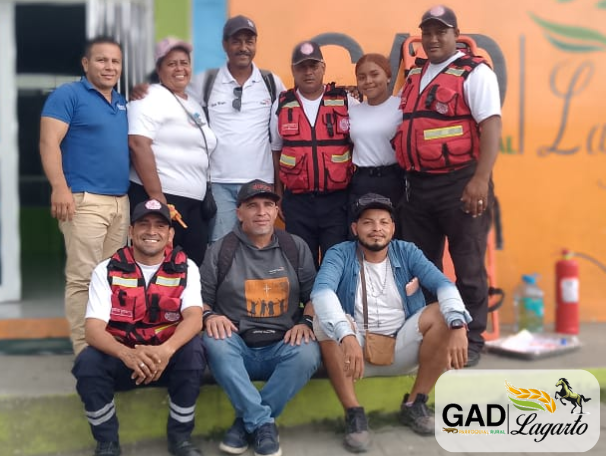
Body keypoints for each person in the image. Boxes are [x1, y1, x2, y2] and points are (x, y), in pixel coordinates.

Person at [311, 193, 471, 453]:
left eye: (384, 222)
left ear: (393, 228)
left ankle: (415, 404)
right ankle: (354, 414)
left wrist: (458, 324)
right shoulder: (339, 253)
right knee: (323, 321)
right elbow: (321, 293)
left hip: (402, 347)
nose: (377, 228)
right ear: (355, 228)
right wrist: (346, 335)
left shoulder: (407, 251)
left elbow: (442, 284)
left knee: (443, 314)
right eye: (368, 222)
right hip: (354, 355)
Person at [393, 5, 502, 366]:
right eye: (427, 32)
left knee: (468, 266)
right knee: (423, 268)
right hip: (418, 187)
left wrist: (480, 180)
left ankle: (471, 339)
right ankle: (434, 335)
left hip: (460, 184)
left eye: (441, 31)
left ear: (456, 34)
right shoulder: (416, 74)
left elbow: (491, 126)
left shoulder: (474, 72)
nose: (433, 39)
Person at [72, 199, 205, 456]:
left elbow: (194, 318)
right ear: (131, 231)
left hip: (166, 360)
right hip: (124, 361)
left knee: (194, 350)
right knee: (87, 362)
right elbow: (93, 330)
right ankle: (107, 442)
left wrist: (166, 351)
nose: (151, 231)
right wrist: (128, 355)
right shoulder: (107, 269)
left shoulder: (186, 267)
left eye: (160, 225)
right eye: (143, 224)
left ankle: (180, 438)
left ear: (170, 234)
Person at [200, 179, 320, 456]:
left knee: (308, 353)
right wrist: (208, 315)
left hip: (282, 344)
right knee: (214, 342)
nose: (261, 212)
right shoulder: (221, 249)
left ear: (277, 211)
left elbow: (315, 295)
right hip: (237, 346)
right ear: (239, 212)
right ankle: (263, 424)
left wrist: (305, 322)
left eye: (268, 205)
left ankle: (246, 423)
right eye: (252, 206)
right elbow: (201, 299)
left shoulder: (294, 246)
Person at [40, 36, 130, 356]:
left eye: (115, 61)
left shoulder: (121, 102)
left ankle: (108, 346)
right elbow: (49, 142)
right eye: (102, 60)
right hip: (84, 200)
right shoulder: (68, 95)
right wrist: (59, 187)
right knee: (83, 279)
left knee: (112, 278)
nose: (109, 67)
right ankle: (85, 354)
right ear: (86, 63)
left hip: (120, 202)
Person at [187, 15, 287, 242]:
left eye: (249, 41)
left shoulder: (271, 82)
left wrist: (279, 189)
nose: (243, 47)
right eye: (236, 41)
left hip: (261, 182)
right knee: (222, 246)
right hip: (219, 183)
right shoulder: (206, 81)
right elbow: (178, 104)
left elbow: (279, 139)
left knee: (259, 245)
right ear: (225, 44)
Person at [128, 37, 217, 266]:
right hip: (163, 200)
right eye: (171, 64)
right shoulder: (149, 97)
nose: (180, 68)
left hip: (194, 204)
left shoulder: (193, 103)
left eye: (184, 63)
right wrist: (157, 197)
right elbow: (138, 143)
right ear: (159, 70)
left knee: (191, 268)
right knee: (159, 267)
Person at [271, 41, 353, 268]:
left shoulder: (345, 101)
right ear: (293, 70)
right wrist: (278, 194)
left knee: (335, 264)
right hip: (297, 203)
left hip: (336, 201)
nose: (308, 72)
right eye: (302, 67)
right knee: (302, 265)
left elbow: (358, 144)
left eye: (313, 66)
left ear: (323, 67)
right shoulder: (282, 105)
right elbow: (276, 152)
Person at [348, 54, 404, 230]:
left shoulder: (401, 107)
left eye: (374, 74)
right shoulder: (352, 111)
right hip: (361, 181)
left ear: (388, 77)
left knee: (393, 234)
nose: (368, 81)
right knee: (362, 234)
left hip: (394, 180)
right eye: (362, 77)